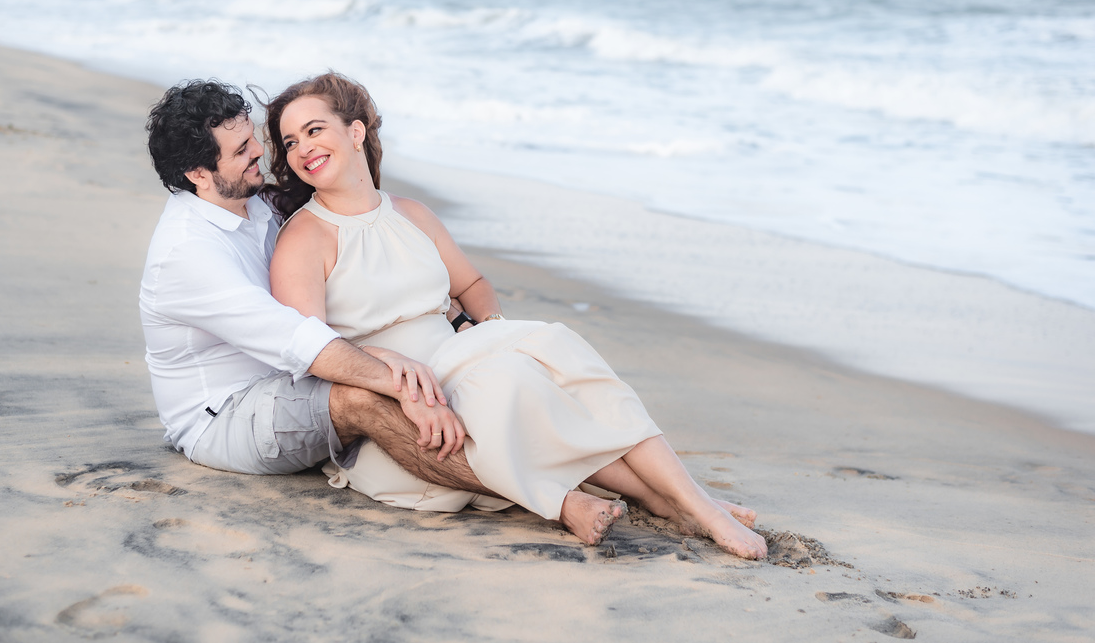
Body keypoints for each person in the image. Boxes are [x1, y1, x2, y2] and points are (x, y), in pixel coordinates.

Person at [264, 72, 769, 559]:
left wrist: (490, 334)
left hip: (466, 358)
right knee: (519, 377)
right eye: (289, 142)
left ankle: (688, 499)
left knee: (542, 356)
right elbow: (311, 347)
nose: (302, 148)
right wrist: (394, 366)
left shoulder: (411, 213)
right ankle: (672, 498)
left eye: (314, 130)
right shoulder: (304, 238)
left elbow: (473, 286)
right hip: (404, 407)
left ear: (355, 133)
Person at [139, 80, 507, 512]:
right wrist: (405, 386)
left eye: (253, 139)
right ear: (198, 175)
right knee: (364, 398)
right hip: (226, 415)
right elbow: (301, 341)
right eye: (240, 151)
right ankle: (531, 491)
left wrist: (462, 321)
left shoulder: (255, 201)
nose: (260, 153)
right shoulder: (188, 255)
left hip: (290, 378)